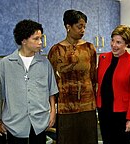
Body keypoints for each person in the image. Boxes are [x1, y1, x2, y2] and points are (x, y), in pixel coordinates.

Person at [0, 19, 58, 144]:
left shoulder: (45, 63)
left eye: (41, 38)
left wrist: (52, 113)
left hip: (40, 121)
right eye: (36, 39)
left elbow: (51, 90)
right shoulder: (5, 64)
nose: (40, 42)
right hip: (14, 123)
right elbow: (0, 96)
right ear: (24, 40)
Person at [47, 9, 98, 144]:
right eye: (79, 26)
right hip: (65, 106)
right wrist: (53, 106)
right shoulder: (55, 50)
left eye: (84, 27)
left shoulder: (89, 48)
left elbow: (93, 76)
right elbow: (51, 81)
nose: (83, 30)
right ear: (68, 27)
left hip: (88, 105)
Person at [96, 25, 130, 144]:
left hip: (121, 114)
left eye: (118, 42)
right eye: (112, 40)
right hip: (103, 110)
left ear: (127, 44)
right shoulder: (103, 58)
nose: (114, 45)